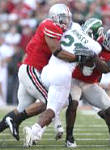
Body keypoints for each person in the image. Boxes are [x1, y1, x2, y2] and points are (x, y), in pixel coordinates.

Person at [0, 3, 77, 141]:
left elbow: (31, 48)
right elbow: (57, 51)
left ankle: (9, 121)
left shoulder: (48, 26)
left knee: (22, 107)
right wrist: (77, 57)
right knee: (49, 101)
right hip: (31, 69)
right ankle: (14, 120)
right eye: (63, 18)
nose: (66, 21)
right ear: (55, 17)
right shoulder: (50, 25)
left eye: (67, 18)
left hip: (29, 69)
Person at [23, 16, 102, 147]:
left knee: (60, 102)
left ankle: (41, 132)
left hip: (48, 70)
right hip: (62, 74)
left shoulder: (75, 27)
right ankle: (33, 131)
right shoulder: (95, 46)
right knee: (53, 108)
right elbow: (87, 71)